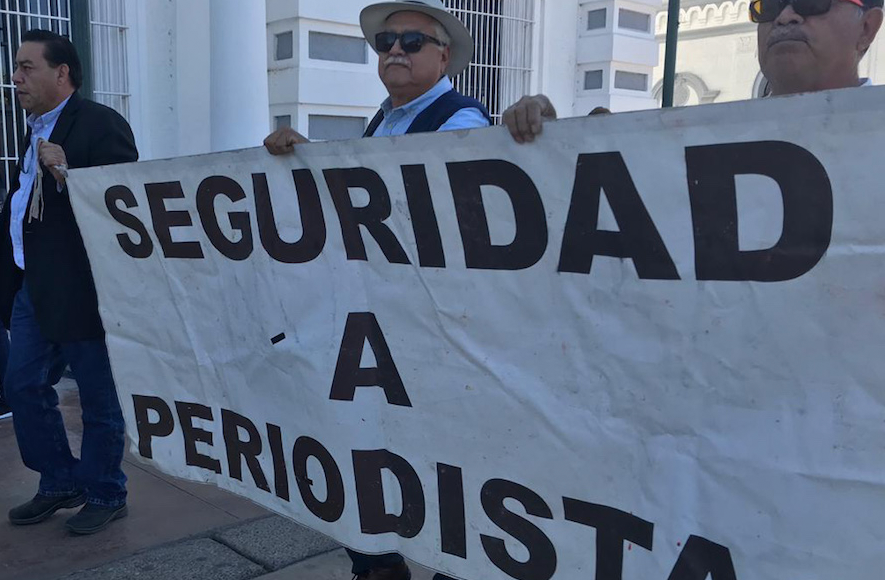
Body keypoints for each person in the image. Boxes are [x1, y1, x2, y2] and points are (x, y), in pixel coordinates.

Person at [265, 2, 487, 579]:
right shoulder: (383, 121)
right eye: (386, 42)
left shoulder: (461, 121)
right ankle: (378, 563)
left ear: (444, 57)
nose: (395, 51)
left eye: (412, 42)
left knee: (437, 459)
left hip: (428, 326)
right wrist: (305, 161)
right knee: (365, 451)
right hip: (380, 323)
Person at [0, 29, 138, 535]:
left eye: (27, 67)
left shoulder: (100, 123)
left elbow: (125, 201)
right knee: (21, 384)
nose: (15, 77)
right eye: (15, 67)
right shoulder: (33, 130)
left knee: (98, 396)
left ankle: (106, 491)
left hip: (84, 288)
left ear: (62, 73)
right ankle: (59, 480)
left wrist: (68, 172)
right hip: (33, 285)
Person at [502, 0, 883, 142]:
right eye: (767, 6)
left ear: (867, 28)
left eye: (811, 1)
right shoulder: (703, 143)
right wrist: (553, 149)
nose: (785, 16)